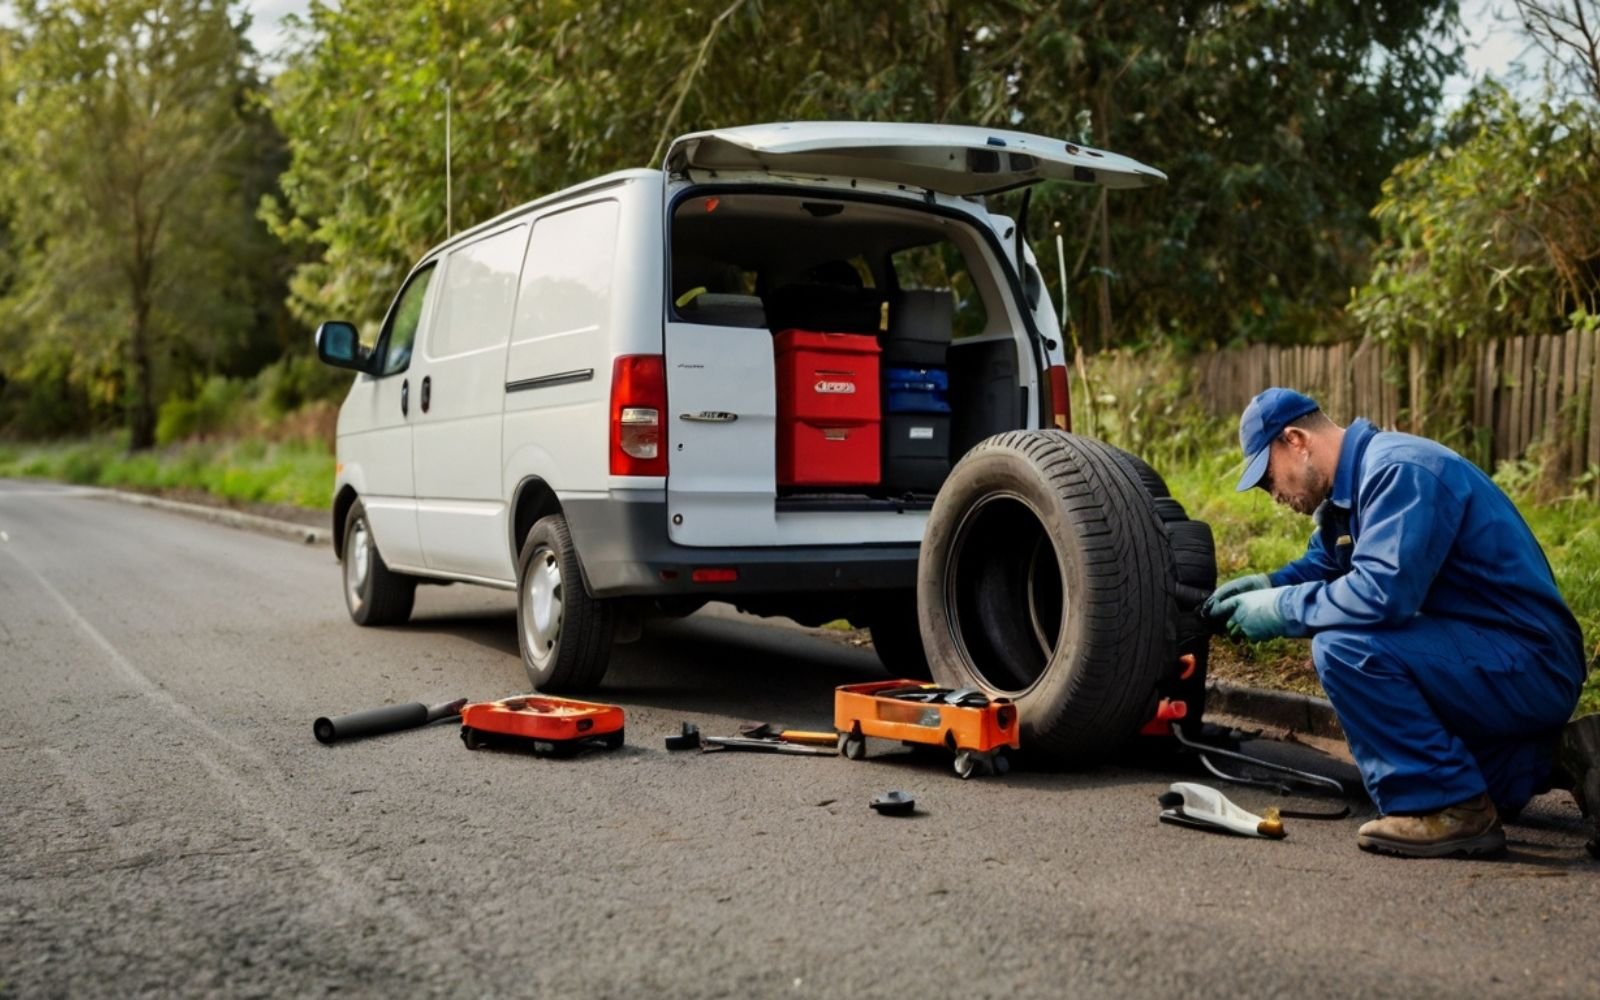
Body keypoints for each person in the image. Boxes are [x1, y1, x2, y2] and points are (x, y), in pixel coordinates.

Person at [1202, 387, 1597, 858]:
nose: (1274, 497)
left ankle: (1447, 811)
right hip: (1489, 655)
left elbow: (1382, 594)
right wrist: (1267, 583)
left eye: (1268, 479)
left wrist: (1282, 607)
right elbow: (1326, 568)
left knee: (1346, 648)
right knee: (1474, 777)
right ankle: (1566, 755)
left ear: (1295, 440)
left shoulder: (1398, 472)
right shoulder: (1352, 493)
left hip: (1530, 660)